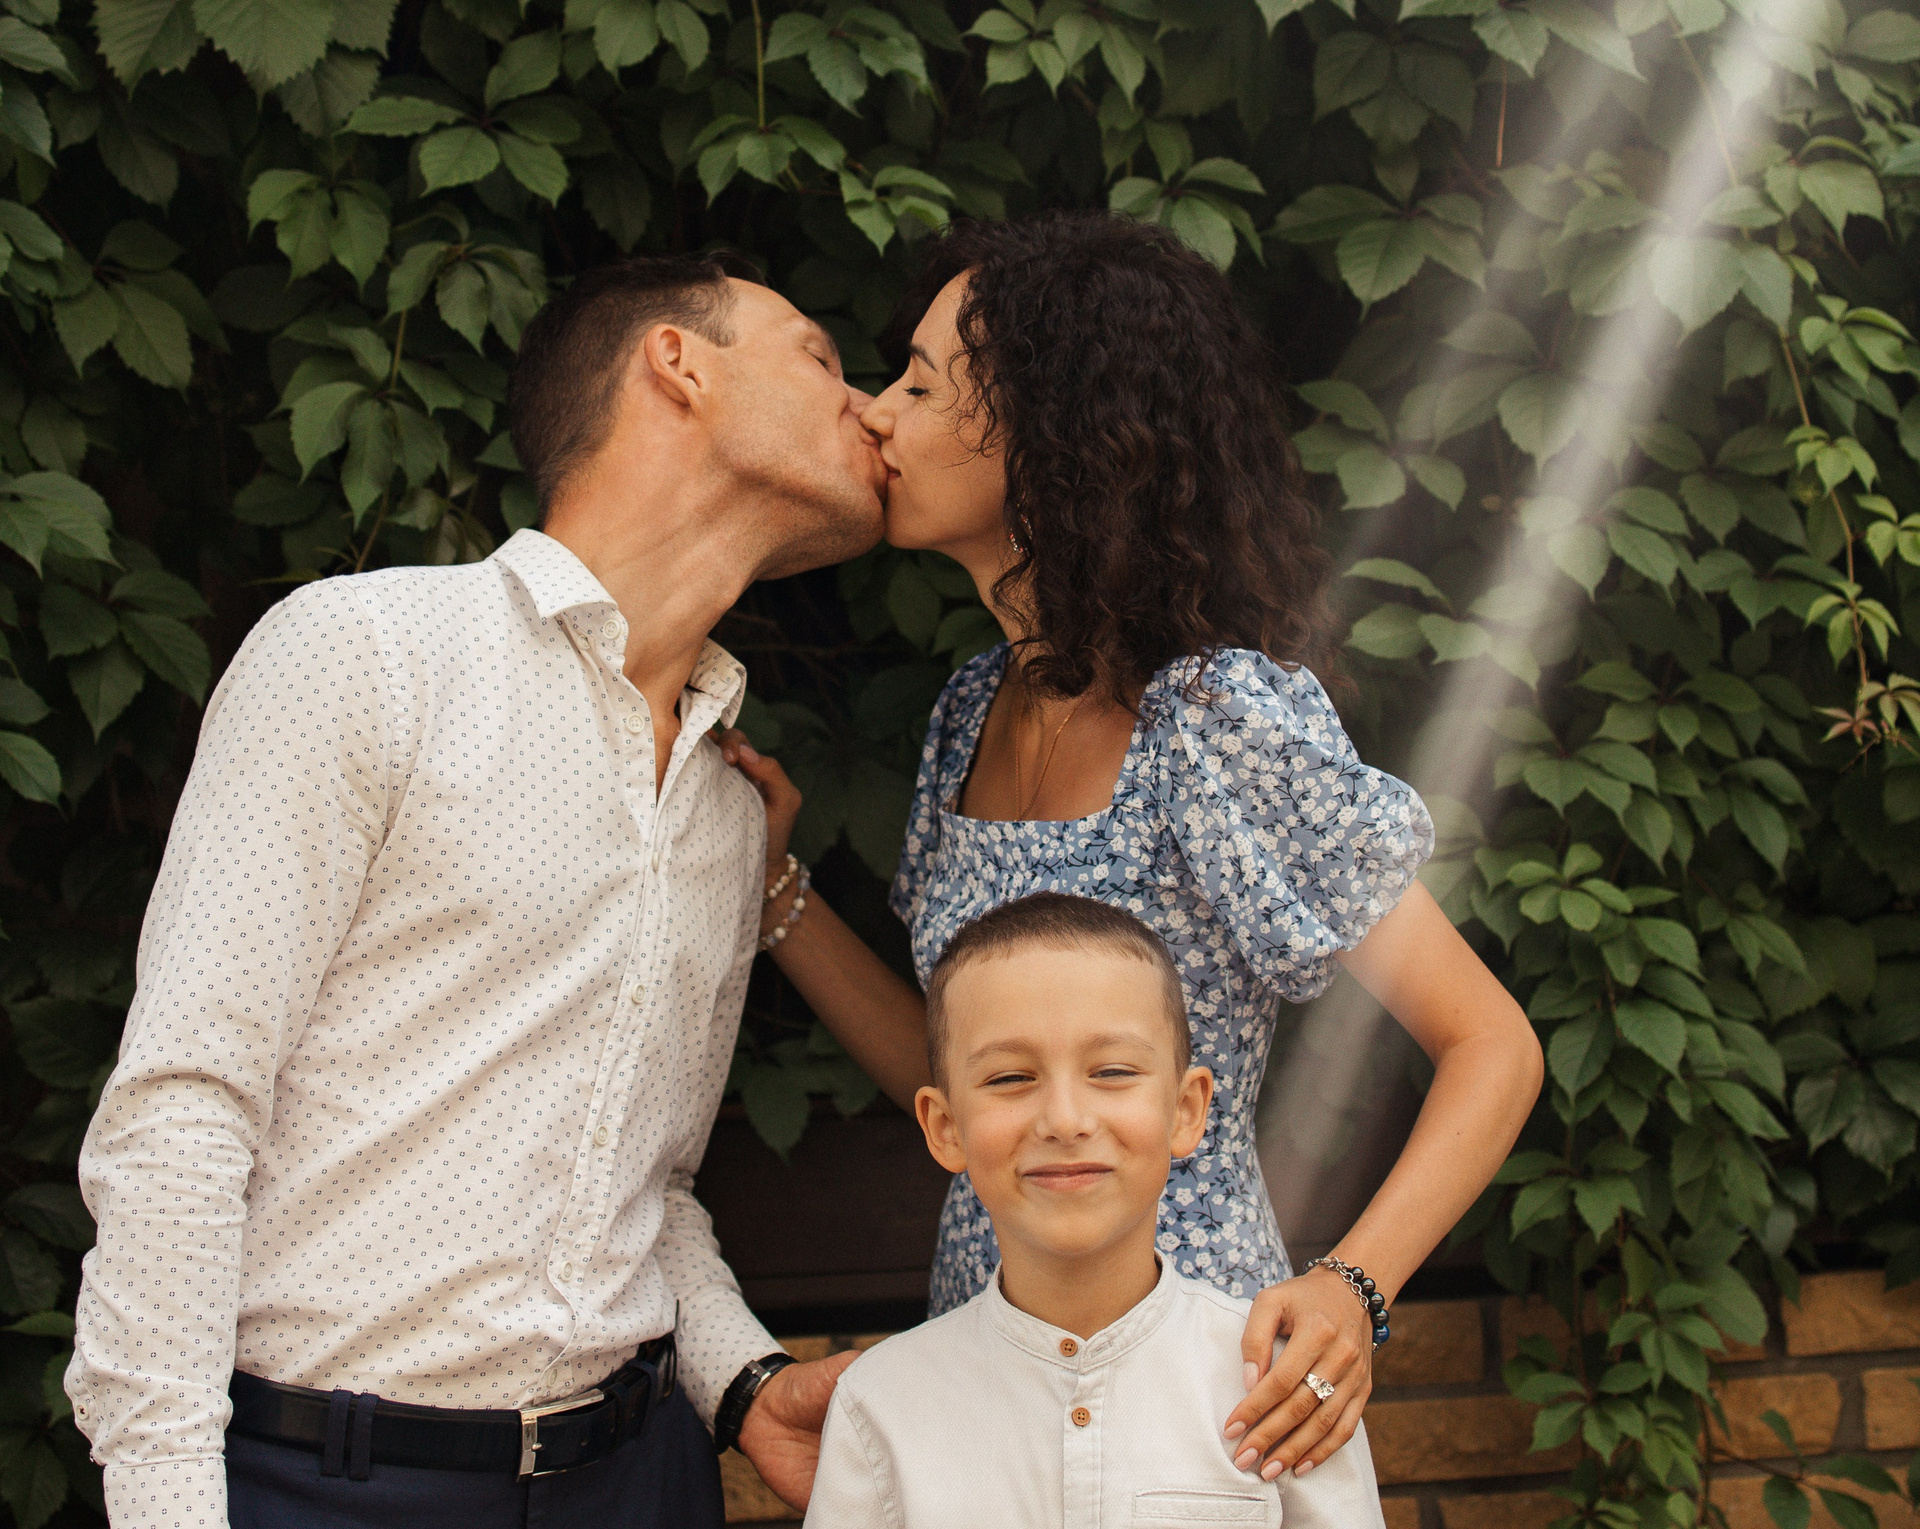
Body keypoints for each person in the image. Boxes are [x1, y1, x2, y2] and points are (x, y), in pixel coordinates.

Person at [724, 211, 1545, 1483]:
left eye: (922, 386)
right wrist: (778, 889)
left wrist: (1352, 1288)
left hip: (1200, 1382)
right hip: (982, 1361)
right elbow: (953, 1080)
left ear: (1050, 435)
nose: (877, 415)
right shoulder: (969, 712)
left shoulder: (1212, 719)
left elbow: (1490, 1041)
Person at [66, 252, 885, 1529]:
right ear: (678, 363)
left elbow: (653, 1190)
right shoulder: (365, 654)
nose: (872, 408)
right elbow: (183, 1107)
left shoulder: (727, 813)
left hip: (638, 1481)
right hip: (329, 1486)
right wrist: (167, 1503)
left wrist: (742, 1379)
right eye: (821, 357)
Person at [804, 892, 1386, 1529]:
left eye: (1111, 1071)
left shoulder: (1285, 1385)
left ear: (1186, 1110)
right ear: (945, 1128)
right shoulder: (883, 1406)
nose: (1065, 1119)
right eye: (1010, 1078)